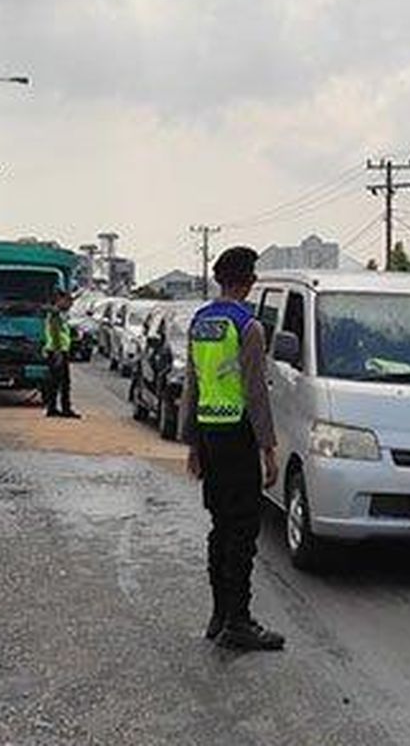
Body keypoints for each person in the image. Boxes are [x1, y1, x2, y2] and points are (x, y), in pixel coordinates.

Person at [179, 246, 285, 652]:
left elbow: (193, 385)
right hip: (238, 438)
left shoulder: (199, 322)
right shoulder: (249, 327)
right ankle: (238, 621)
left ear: (220, 280)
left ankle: (219, 615)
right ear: (249, 281)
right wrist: (269, 449)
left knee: (220, 527)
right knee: (242, 531)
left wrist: (191, 444)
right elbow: (256, 394)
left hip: (208, 434)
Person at [43, 289, 81, 419]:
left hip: (57, 350)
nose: (70, 304)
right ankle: (63, 408)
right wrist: (58, 352)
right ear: (60, 301)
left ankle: (53, 408)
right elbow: (55, 334)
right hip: (57, 351)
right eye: (68, 301)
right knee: (63, 382)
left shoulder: (59, 314)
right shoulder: (56, 314)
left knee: (56, 382)